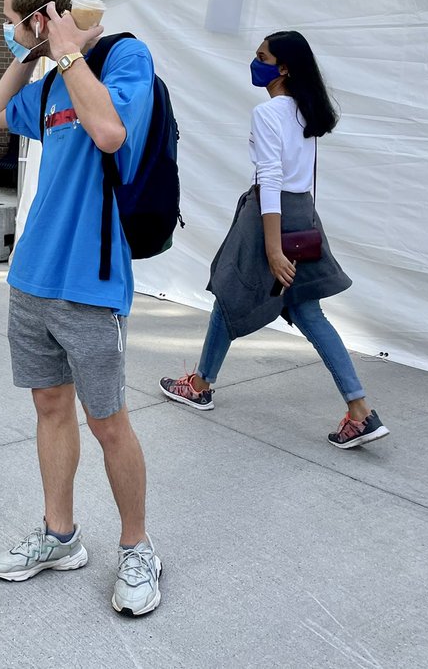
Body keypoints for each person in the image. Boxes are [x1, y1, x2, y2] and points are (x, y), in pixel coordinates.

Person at [0, 0, 162, 617]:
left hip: (92, 283)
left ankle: (138, 547)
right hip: (32, 277)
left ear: (44, 16)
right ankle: (60, 537)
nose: (10, 36)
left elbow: (112, 133)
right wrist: (31, 55)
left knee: (109, 422)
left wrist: (65, 56)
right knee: (50, 409)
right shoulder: (47, 80)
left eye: (14, 24)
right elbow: (3, 114)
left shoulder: (124, 60)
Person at [159, 31, 389, 449]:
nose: (255, 61)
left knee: (229, 290)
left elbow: (270, 179)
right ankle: (361, 411)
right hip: (302, 214)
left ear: (283, 67)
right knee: (308, 314)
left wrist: (271, 247)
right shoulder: (307, 112)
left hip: (270, 217)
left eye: (262, 56)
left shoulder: (267, 115)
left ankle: (200, 385)